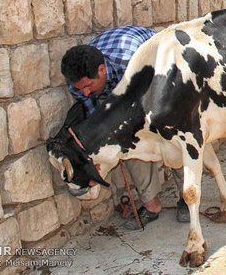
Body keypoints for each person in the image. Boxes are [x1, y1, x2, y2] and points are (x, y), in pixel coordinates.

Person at [61, 25, 190, 230]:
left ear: (101, 71)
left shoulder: (133, 65)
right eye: (80, 89)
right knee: (128, 142)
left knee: (172, 137)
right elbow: (99, 120)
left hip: (160, 72)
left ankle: (187, 198)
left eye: (88, 86)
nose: (84, 93)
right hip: (127, 85)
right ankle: (151, 205)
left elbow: (157, 100)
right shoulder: (77, 86)